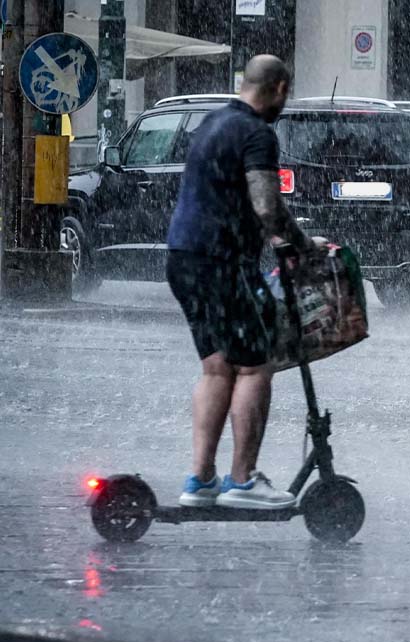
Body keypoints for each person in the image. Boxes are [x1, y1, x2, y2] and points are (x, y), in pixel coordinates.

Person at [165, 55, 314, 510]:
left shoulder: (213, 121)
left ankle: (201, 480)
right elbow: (266, 205)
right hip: (222, 261)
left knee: (217, 368)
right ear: (281, 88)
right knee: (254, 365)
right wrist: (300, 243)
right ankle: (243, 482)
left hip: (184, 257)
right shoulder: (256, 133)